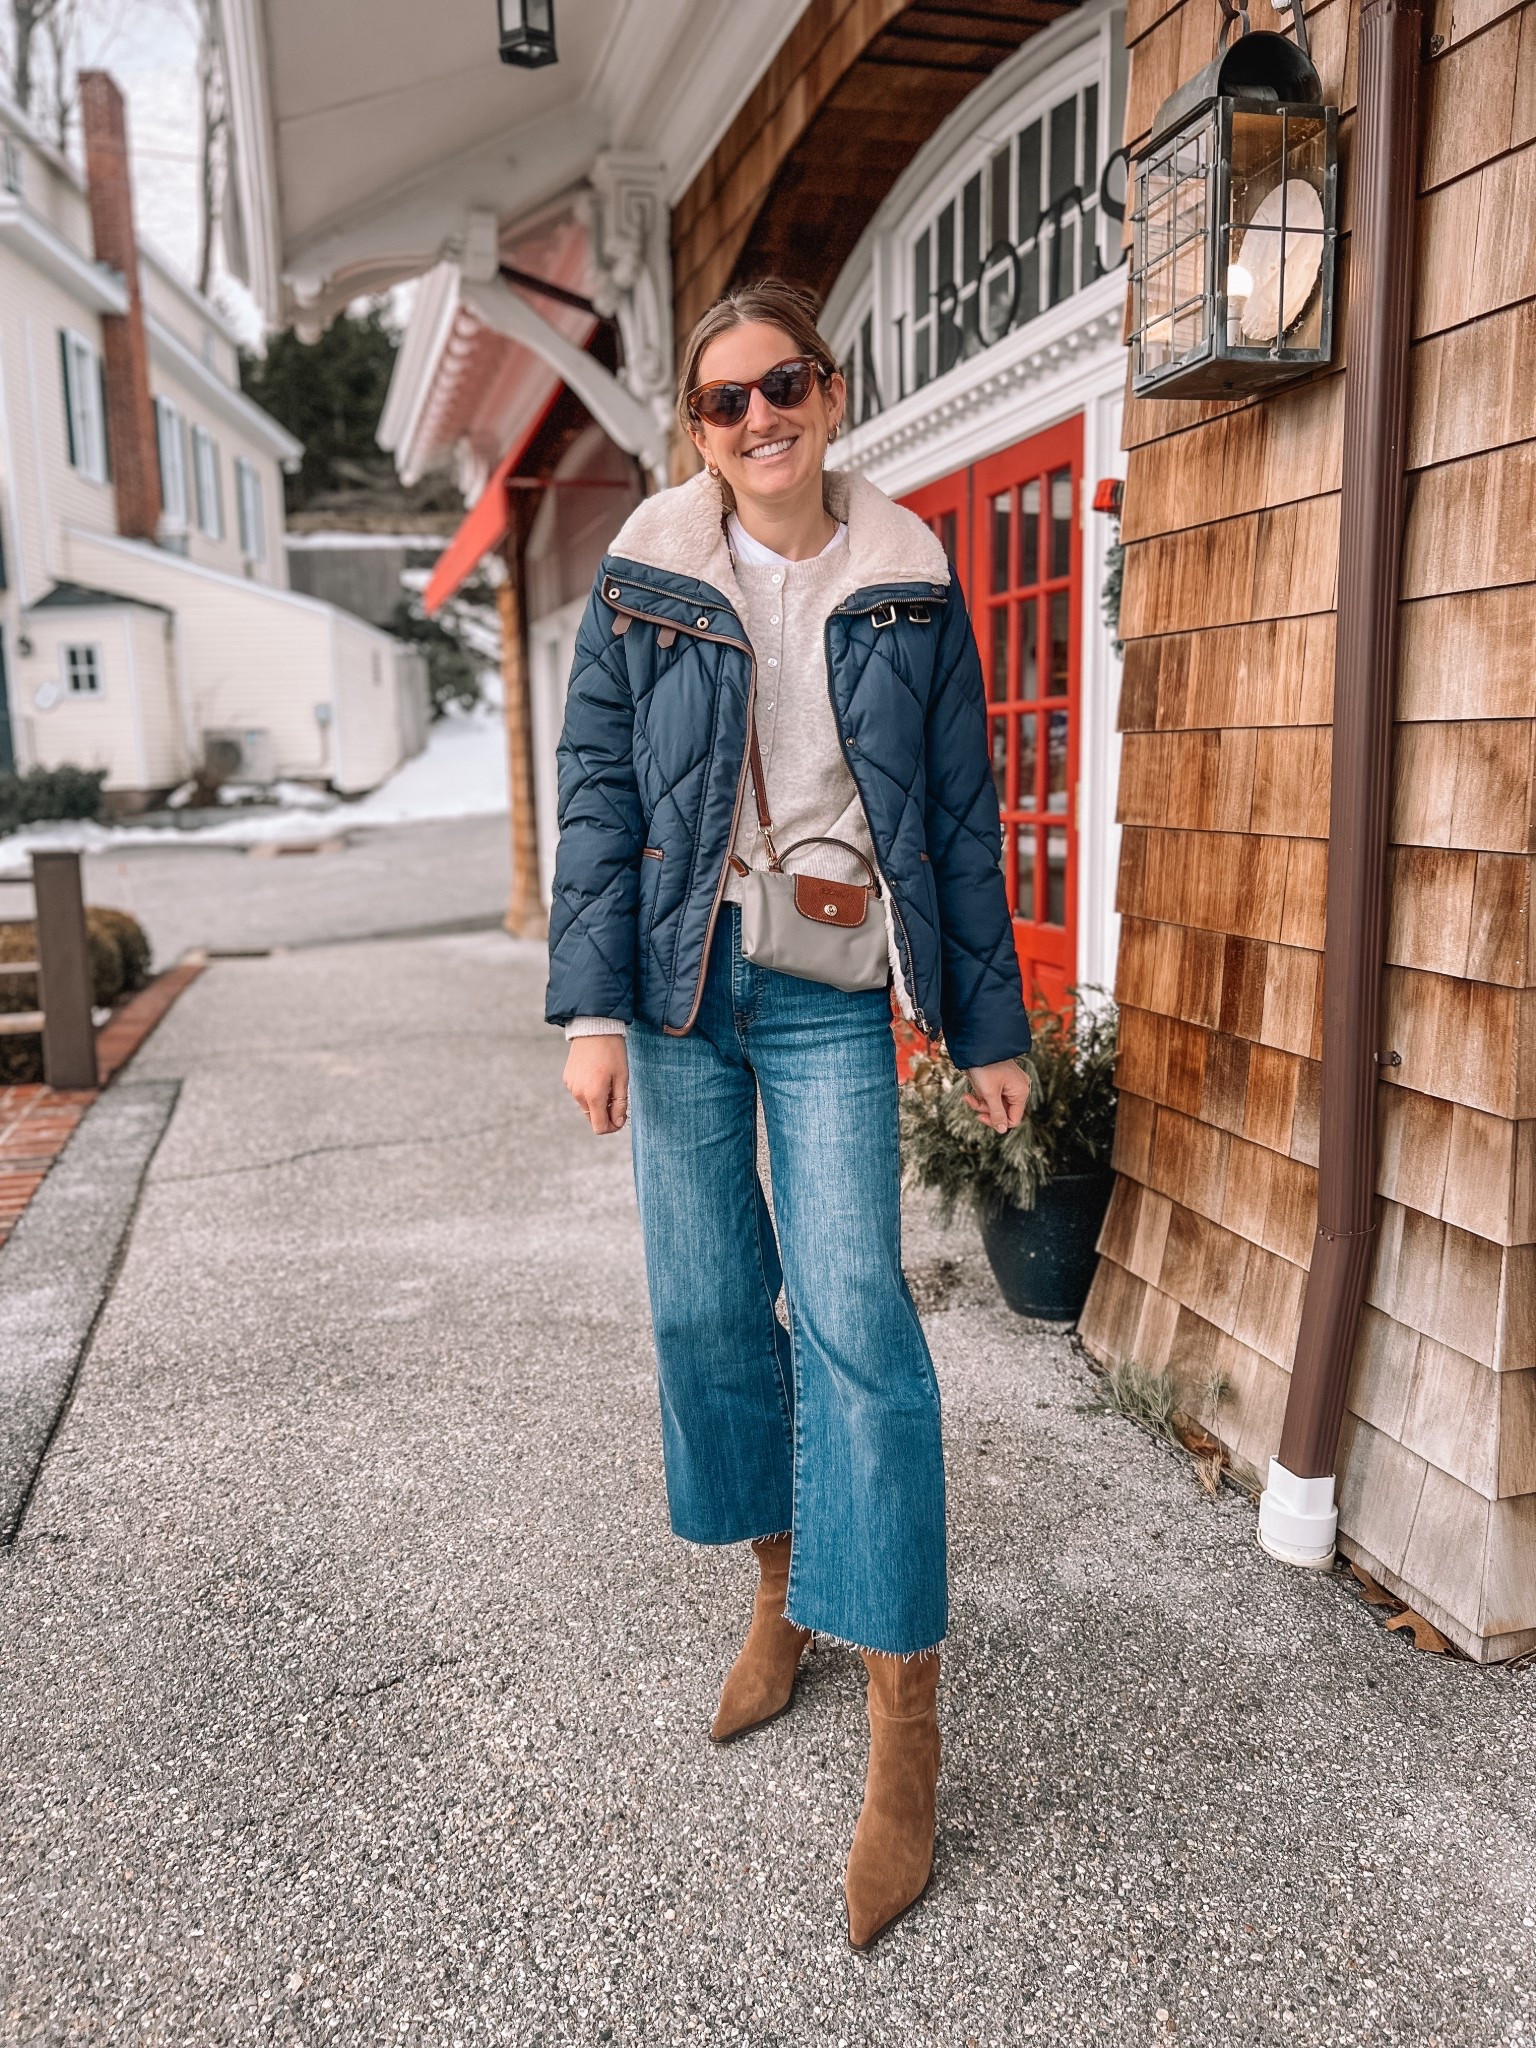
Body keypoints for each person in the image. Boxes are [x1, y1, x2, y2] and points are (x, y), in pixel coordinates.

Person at [546, 278, 1030, 1949]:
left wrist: (987, 1021)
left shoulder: (904, 578)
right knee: (701, 1308)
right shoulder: (645, 580)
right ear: (696, 428)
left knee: (857, 1321)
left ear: (834, 393)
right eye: (726, 401)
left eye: (786, 387)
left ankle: (906, 1710)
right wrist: (593, 1012)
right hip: (680, 994)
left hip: (829, 994)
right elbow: (599, 799)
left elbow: (958, 807)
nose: (759, 419)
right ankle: (778, 1590)